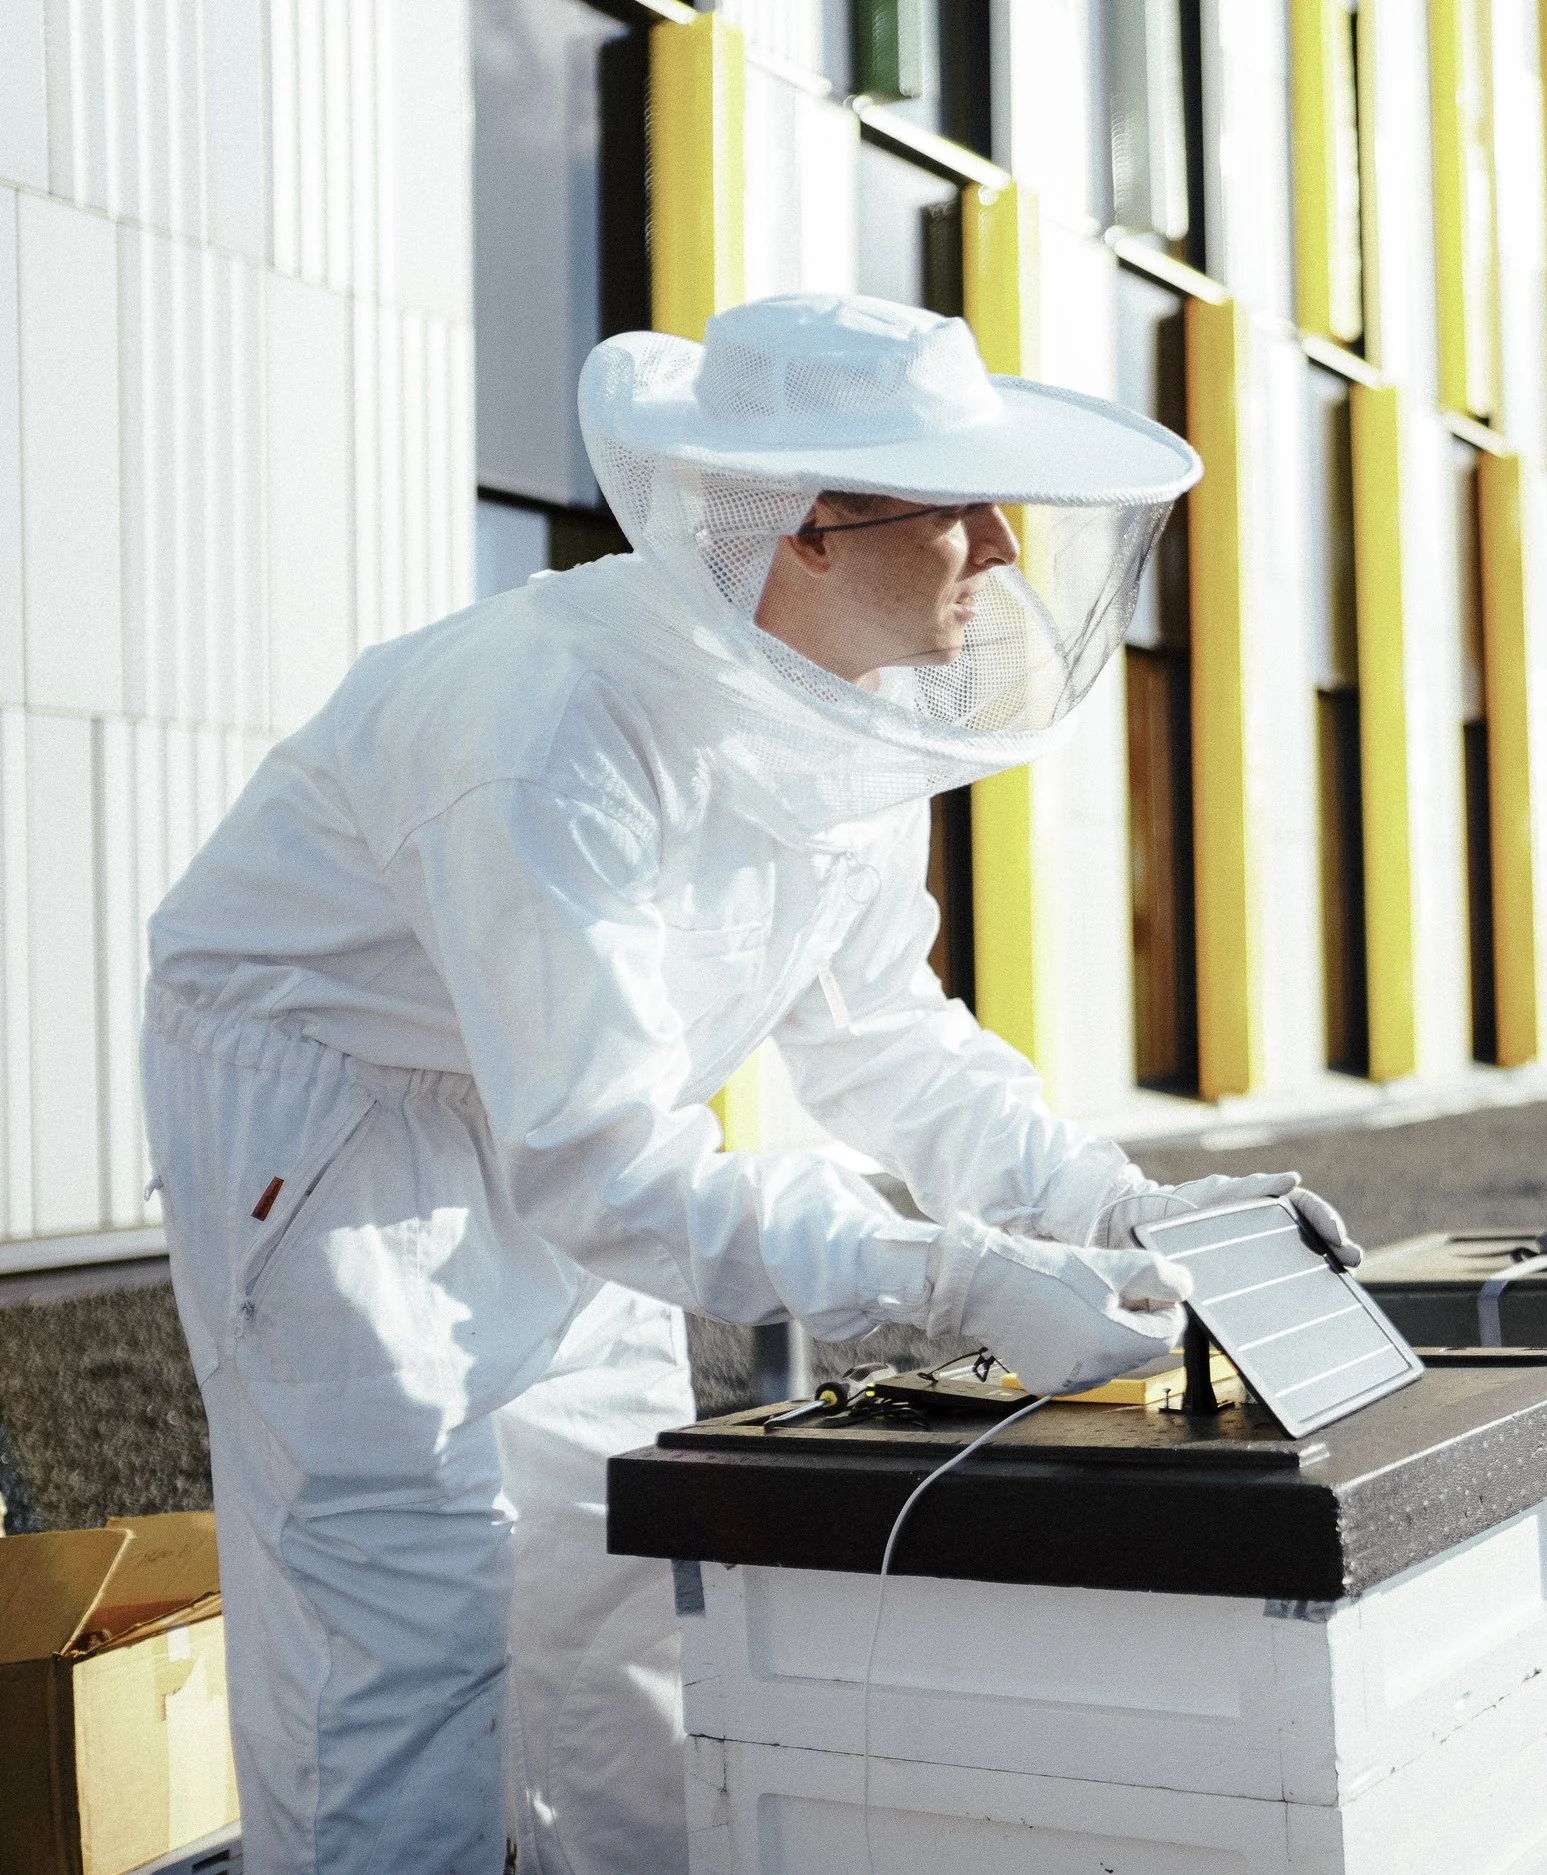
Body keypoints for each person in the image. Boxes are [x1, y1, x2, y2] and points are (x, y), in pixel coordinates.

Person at [142, 294, 1359, 1875]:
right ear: (808, 535)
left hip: (566, 1118)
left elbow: (887, 1038)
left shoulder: (848, 724)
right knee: (403, 1625)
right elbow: (603, 1163)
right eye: (956, 507)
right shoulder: (549, 728)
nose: (1001, 545)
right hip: (336, 1129)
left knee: (614, 1586)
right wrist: (957, 1277)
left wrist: (1127, 1207)